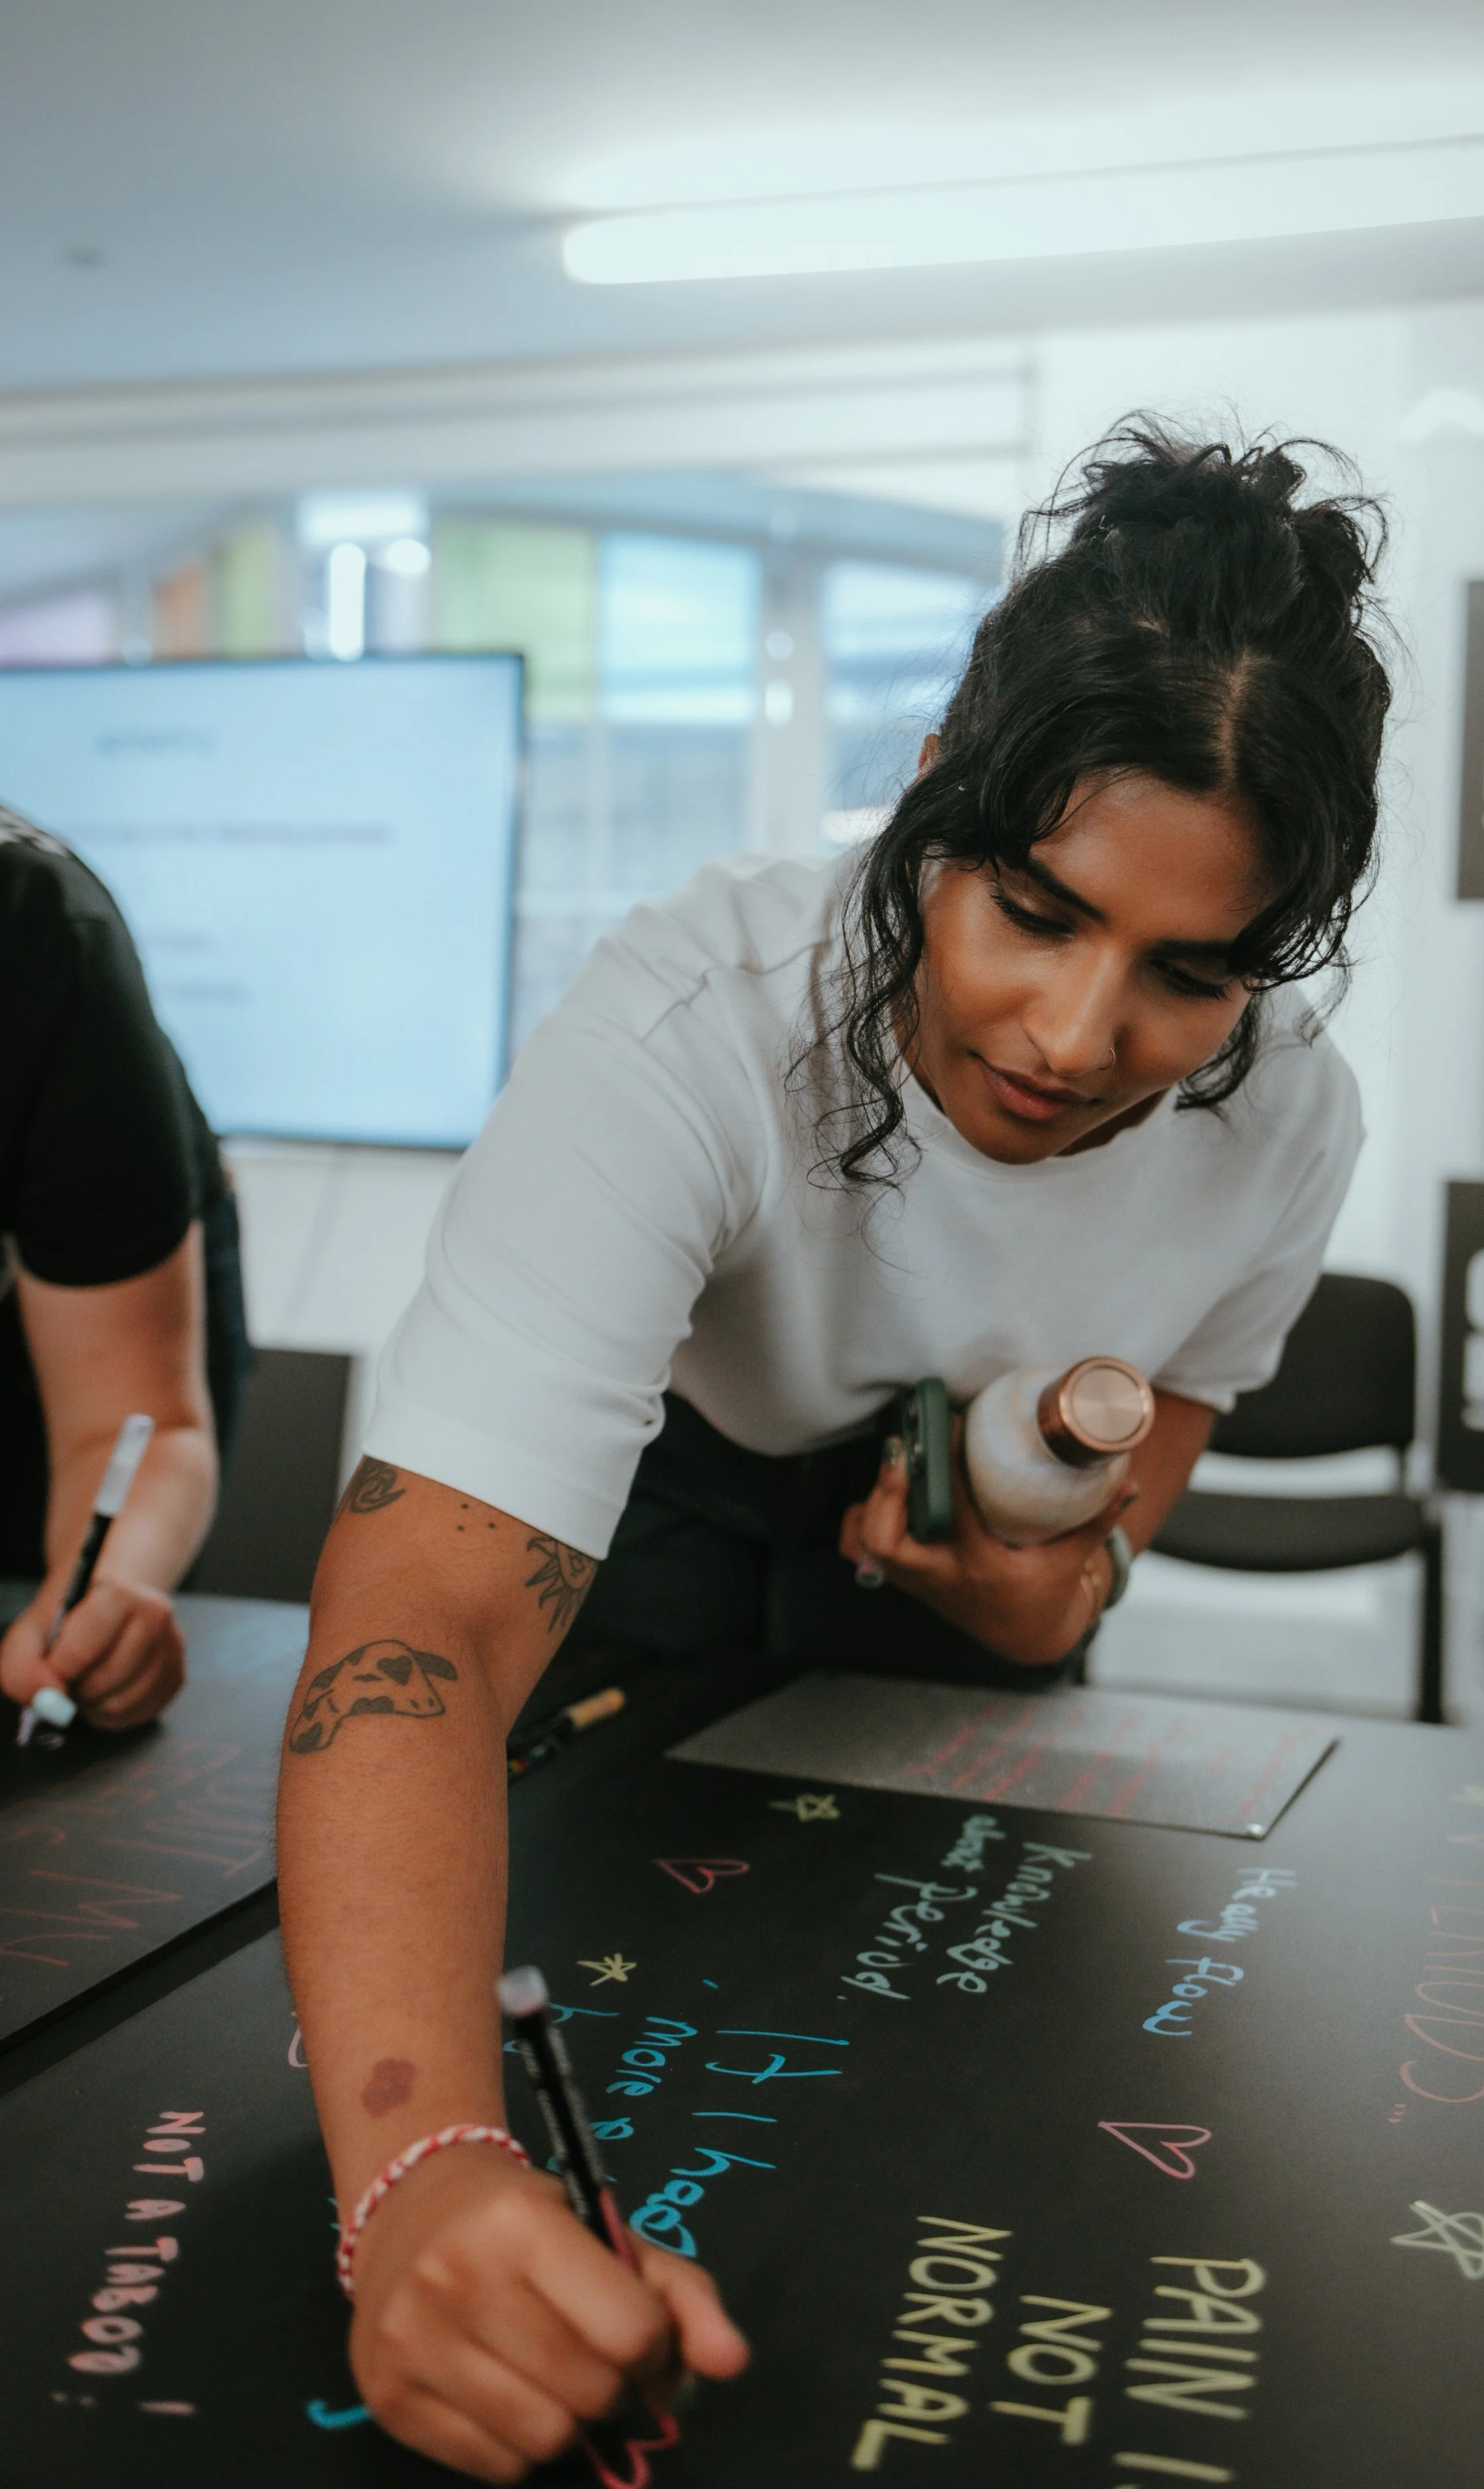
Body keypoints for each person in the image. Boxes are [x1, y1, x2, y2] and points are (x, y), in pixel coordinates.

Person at [277, 423, 1392, 2482]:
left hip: (967, 1549)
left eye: (1188, 973)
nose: (1071, 1033)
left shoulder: (1293, 1122)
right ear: (941, 775)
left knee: (965, 2122)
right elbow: (418, 1618)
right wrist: (419, 2166)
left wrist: (1058, 1579)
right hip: (667, 1507)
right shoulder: (686, 1021)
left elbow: (1126, 1504)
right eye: (1030, 908)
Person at [0, 806, 249, 1731]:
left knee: (69, 1667)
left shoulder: (36, 940)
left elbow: (132, 1424)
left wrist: (100, 1598)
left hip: (61, 1383)